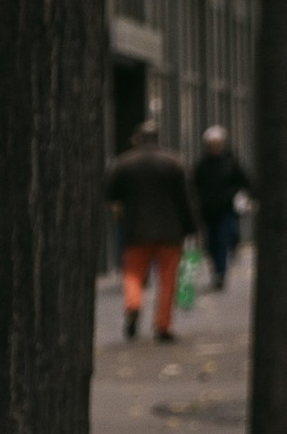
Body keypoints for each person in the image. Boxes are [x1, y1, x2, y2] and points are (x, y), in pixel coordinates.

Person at [106, 115, 196, 343]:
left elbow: (110, 193)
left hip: (135, 229)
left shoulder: (124, 163)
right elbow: (185, 199)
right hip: (169, 231)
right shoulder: (174, 162)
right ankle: (163, 325)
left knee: (133, 273)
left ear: (137, 139)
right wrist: (190, 226)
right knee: (167, 279)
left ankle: (133, 304)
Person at [193, 124, 253, 295]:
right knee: (212, 242)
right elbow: (195, 184)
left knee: (223, 237)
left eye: (217, 144)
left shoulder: (231, 162)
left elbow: (244, 180)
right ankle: (217, 269)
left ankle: (220, 272)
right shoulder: (203, 164)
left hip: (226, 208)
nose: (214, 147)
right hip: (208, 209)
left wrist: (241, 196)